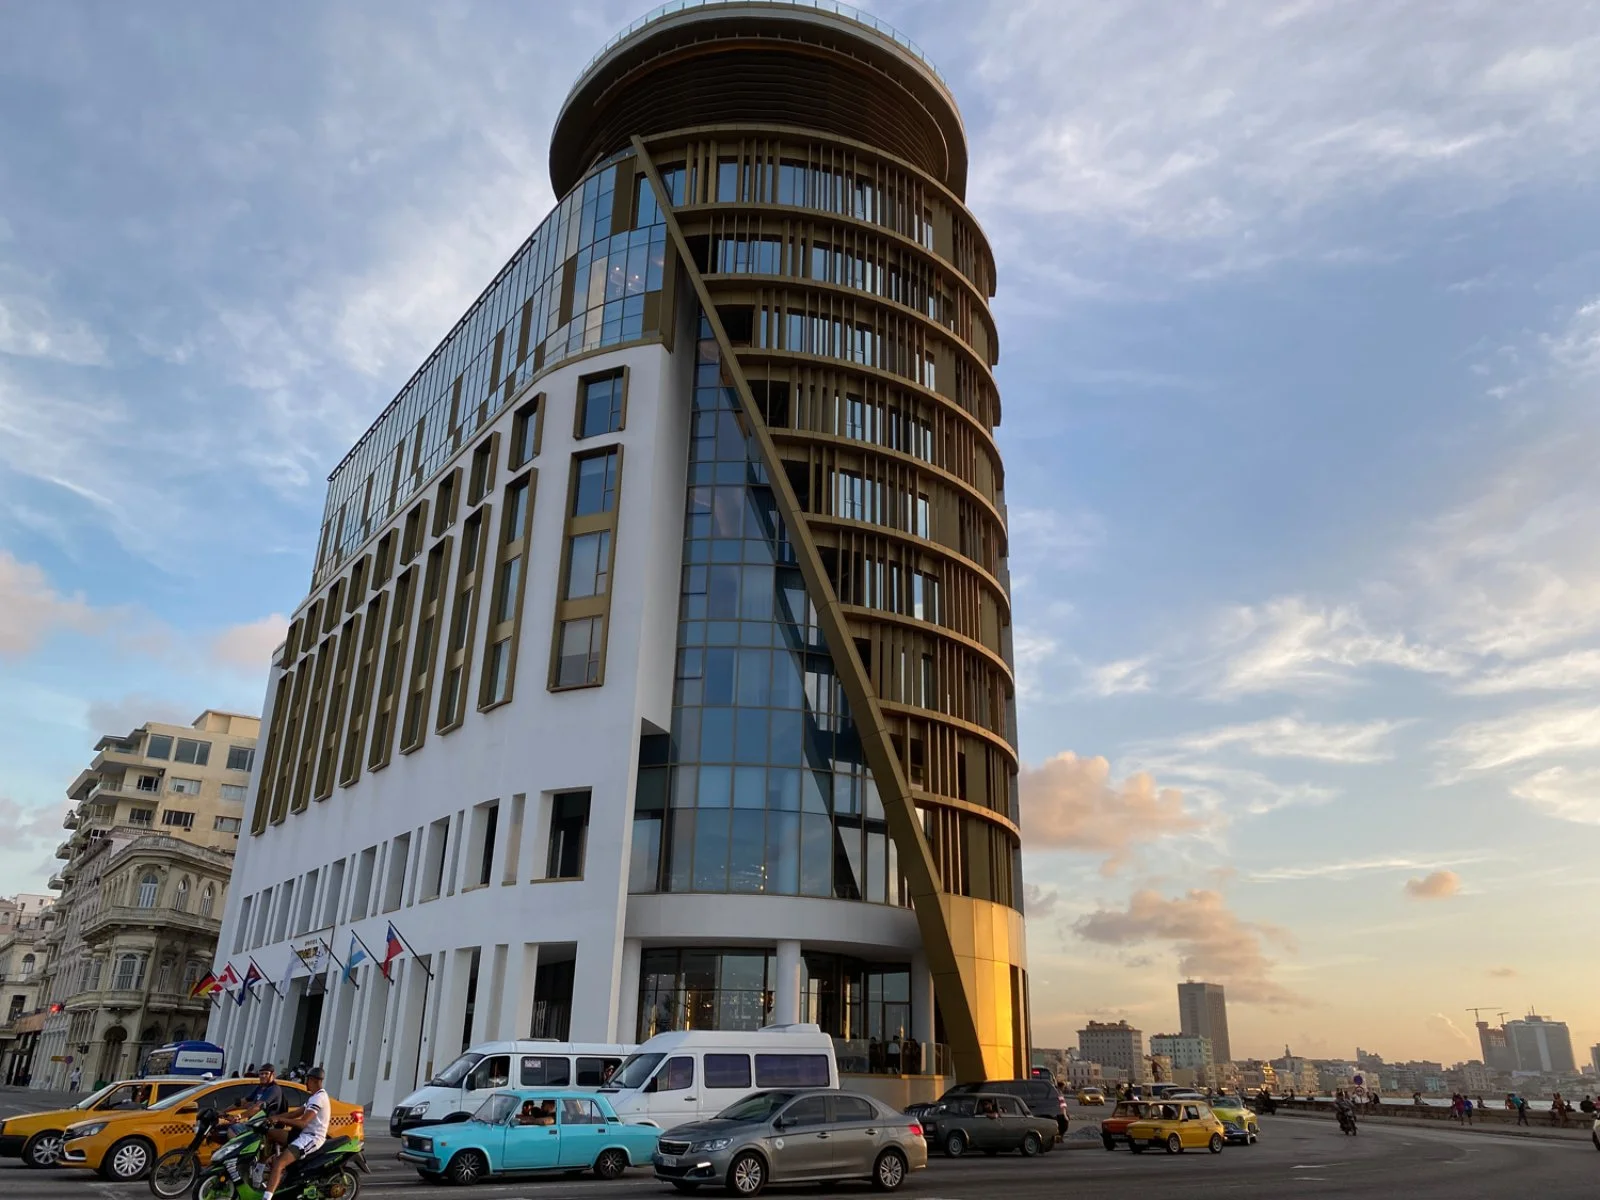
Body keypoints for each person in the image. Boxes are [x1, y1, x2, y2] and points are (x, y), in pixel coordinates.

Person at [260, 1065, 330, 1200]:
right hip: (302, 1134)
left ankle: (267, 1197)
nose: (305, 1083)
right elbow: (294, 1114)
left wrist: (280, 1119)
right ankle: (259, 1170)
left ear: (314, 1080)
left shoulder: (319, 1098)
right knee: (270, 1133)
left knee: (279, 1163)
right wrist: (272, 1118)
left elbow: (303, 1123)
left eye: (307, 1080)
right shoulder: (313, 1097)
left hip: (312, 1138)